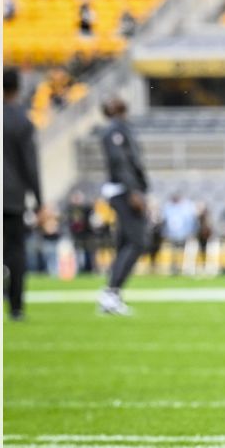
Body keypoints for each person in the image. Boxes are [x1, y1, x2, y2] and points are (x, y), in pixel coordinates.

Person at [97, 97, 149, 315]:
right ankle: (111, 292)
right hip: (124, 191)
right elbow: (121, 162)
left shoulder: (121, 128)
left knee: (126, 242)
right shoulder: (114, 131)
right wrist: (133, 191)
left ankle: (112, 294)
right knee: (138, 241)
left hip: (126, 190)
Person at [4, 69, 42, 321]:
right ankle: (16, 308)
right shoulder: (22, 120)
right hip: (12, 197)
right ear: (18, 88)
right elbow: (30, 165)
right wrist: (40, 201)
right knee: (16, 253)